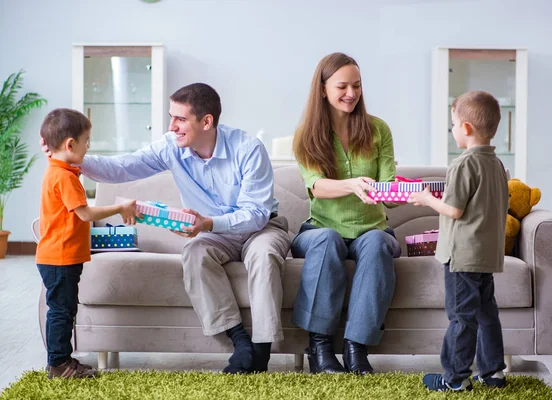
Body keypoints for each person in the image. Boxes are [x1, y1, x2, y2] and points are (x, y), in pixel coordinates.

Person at [41, 84, 290, 374]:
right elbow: (122, 167)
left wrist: (208, 223)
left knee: (263, 255)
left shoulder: (248, 149)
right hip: (212, 233)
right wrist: (66, 155)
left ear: (206, 122)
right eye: (171, 117)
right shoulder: (171, 146)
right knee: (195, 253)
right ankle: (240, 342)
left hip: (259, 226)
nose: (171, 126)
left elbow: (256, 214)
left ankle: (261, 351)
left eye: (180, 119)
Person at [291, 52, 402, 375]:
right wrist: (352, 185)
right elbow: (316, 187)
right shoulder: (306, 136)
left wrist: (403, 194)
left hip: (371, 230)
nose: (351, 93)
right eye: (342, 86)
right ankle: (320, 348)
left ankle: (357, 348)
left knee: (378, 243)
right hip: (321, 228)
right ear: (323, 89)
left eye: (357, 86)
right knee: (326, 240)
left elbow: (388, 189)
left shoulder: (379, 130)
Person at [408, 91, 508, 391]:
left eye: (453, 124)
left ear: (465, 128)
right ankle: (493, 373)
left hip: (462, 256)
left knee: (461, 317)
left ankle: (455, 378)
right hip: (487, 254)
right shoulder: (498, 165)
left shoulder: (463, 164)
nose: (452, 130)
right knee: (486, 313)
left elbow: (454, 209)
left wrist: (427, 198)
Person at [36, 108, 139, 379]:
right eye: (87, 142)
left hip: (60, 257)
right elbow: (85, 213)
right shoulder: (65, 177)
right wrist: (119, 207)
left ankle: (62, 360)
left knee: (64, 308)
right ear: (70, 144)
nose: (88, 147)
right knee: (61, 310)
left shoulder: (60, 171)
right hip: (60, 258)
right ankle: (59, 364)